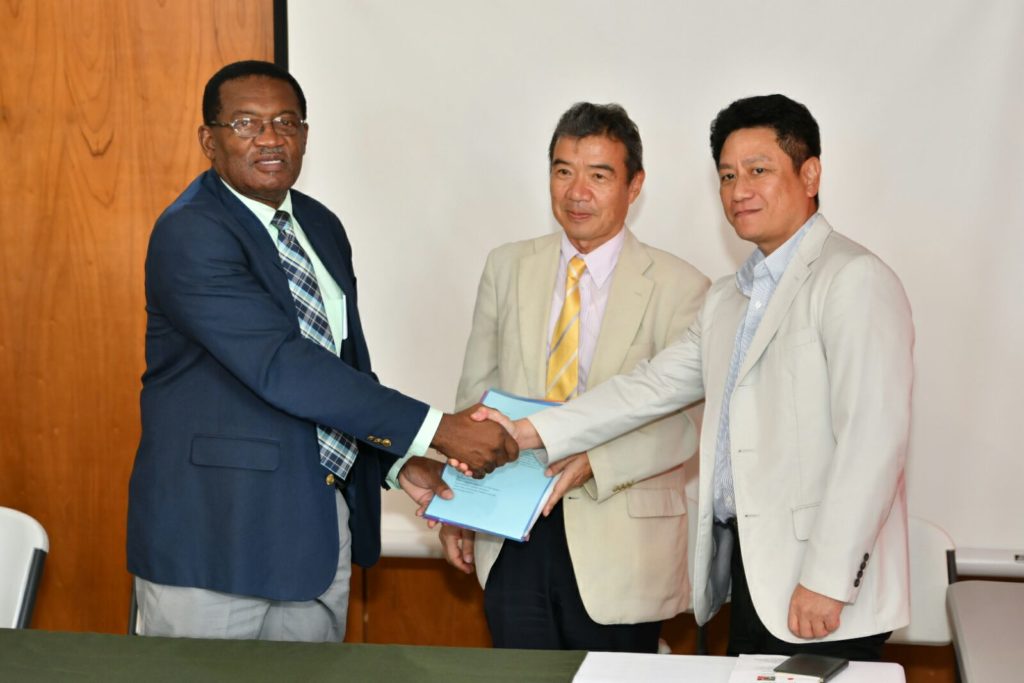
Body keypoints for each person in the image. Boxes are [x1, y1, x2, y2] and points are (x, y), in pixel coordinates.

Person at [469, 94, 913, 660]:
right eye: (727, 175)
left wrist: (828, 579)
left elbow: (873, 442)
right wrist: (527, 431)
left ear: (810, 175)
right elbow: (649, 387)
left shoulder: (853, 278)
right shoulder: (730, 297)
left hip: (822, 585)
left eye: (758, 171)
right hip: (753, 573)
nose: (739, 190)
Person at [127, 60, 517, 642]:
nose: (270, 138)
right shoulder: (191, 232)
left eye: (286, 122)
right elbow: (282, 365)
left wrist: (395, 460)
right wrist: (438, 430)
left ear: (305, 136)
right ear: (209, 140)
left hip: (314, 533)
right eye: (246, 123)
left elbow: (341, 369)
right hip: (215, 538)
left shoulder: (320, 225)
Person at [439, 103, 709, 652]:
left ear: (635, 185)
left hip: (622, 539)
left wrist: (595, 462)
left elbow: (687, 424)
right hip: (512, 529)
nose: (577, 192)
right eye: (563, 171)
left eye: (599, 176)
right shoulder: (507, 266)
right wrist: (459, 502)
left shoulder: (682, 286)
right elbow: (475, 396)